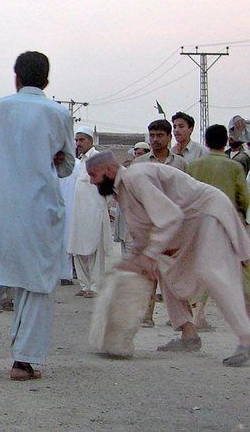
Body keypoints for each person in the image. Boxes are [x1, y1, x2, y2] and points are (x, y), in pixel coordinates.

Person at [0, 51, 75, 380]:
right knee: (36, 285)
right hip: (39, 210)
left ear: (16, 78)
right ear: (46, 81)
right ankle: (23, 361)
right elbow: (65, 167)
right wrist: (51, 156)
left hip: (0, 209)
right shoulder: (59, 114)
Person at [86, 150, 250, 367]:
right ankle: (188, 333)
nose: (91, 181)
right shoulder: (123, 191)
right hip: (188, 226)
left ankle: (246, 340)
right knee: (161, 267)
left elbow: (170, 216)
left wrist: (149, 255)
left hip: (207, 213)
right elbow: (143, 233)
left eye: (93, 175)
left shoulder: (136, 177)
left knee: (213, 272)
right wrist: (135, 260)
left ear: (109, 170)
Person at [187, 124, 250, 331]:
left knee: (203, 267)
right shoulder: (235, 167)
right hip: (228, 224)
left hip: (200, 223)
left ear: (205, 142)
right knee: (241, 268)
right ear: (226, 142)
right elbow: (243, 198)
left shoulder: (194, 166)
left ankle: (198, 315)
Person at [132, 119, 188, 327]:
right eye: (152, 136)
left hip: (173, 226)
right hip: (149, 225)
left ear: (168, 137)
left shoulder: (180, 163)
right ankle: (147, 315)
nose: (155, 140)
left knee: (174, 273)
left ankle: (182, 322)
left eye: (159, 136)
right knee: (148, 272)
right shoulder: (140, 164)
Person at [67, 126, 112, 298]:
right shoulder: (80, 162)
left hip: (94, 213)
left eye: (82, 140)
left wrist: (99, 207)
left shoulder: (100, 159)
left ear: (91, 141)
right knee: (78, 249)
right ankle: (85, 285)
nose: (78, 143)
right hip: (78, 213)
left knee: (95, 250)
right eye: (76, 140)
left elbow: (109, 189)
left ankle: (95, 286)